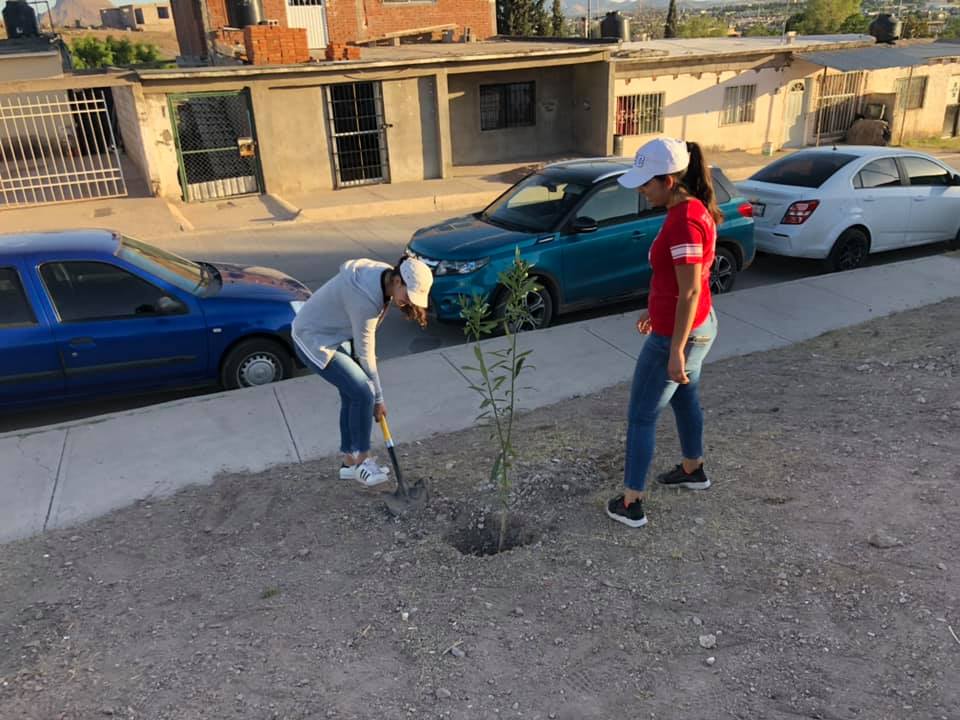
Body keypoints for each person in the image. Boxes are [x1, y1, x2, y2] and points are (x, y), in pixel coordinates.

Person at [605, 137, 721, 528]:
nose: (641, 190)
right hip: (694, 324)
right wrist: (653, 309)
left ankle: (631, 502)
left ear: (669, 180)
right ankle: (693, 469)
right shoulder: (690, 210)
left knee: (641, 416)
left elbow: (688, 289)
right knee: (685, 399)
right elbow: (679, 283)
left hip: (679, 334)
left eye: (646, 183)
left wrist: (674, 350)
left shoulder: (685, 220)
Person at [292, 256, 433, 487]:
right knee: (364, 393)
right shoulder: (366, 299)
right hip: (313, 339)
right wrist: (379, 398)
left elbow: (364, 345)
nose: (409, 302)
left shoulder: (383, 278)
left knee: (352, 393)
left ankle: (349, 463)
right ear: (398, 281)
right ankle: (362, 461)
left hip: (333, 335)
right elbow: (365, 353)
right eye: (409, 295)